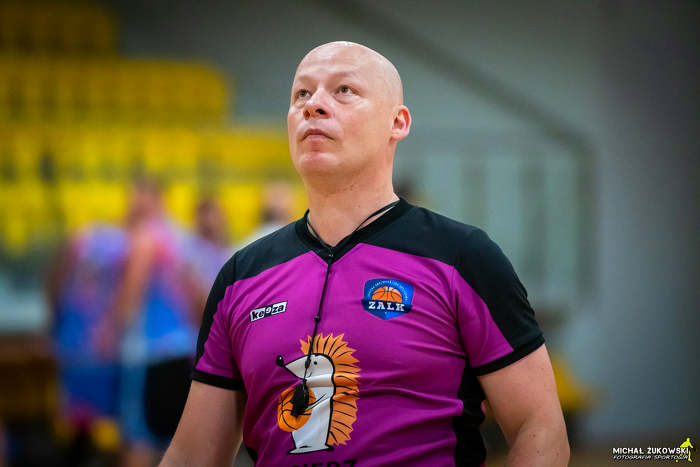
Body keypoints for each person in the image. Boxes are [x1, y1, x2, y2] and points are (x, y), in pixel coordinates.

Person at [161, 41, 569, 466]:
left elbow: (540, 427)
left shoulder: (463, 258)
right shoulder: (240, 277)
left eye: (344, 90)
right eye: (302, 93)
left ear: (397, 122)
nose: (314, 105)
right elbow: (191, 456)